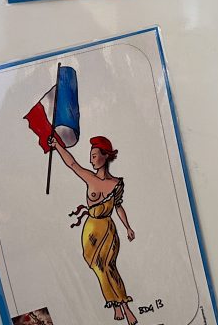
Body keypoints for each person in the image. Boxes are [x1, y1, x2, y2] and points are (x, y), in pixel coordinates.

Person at [51, 135, 138, 325]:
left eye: (94, 155)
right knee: (98, 267)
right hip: (91, 229)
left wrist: (128, 227)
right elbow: (72, 164)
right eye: (90, 156)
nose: (91, 160)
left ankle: (126, 307)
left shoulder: (117, 184)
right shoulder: (89, 177)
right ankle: (114, 304)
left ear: (105, 156)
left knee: (109, 265)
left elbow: (118, 207)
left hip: (107, 229)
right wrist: (57, 145)